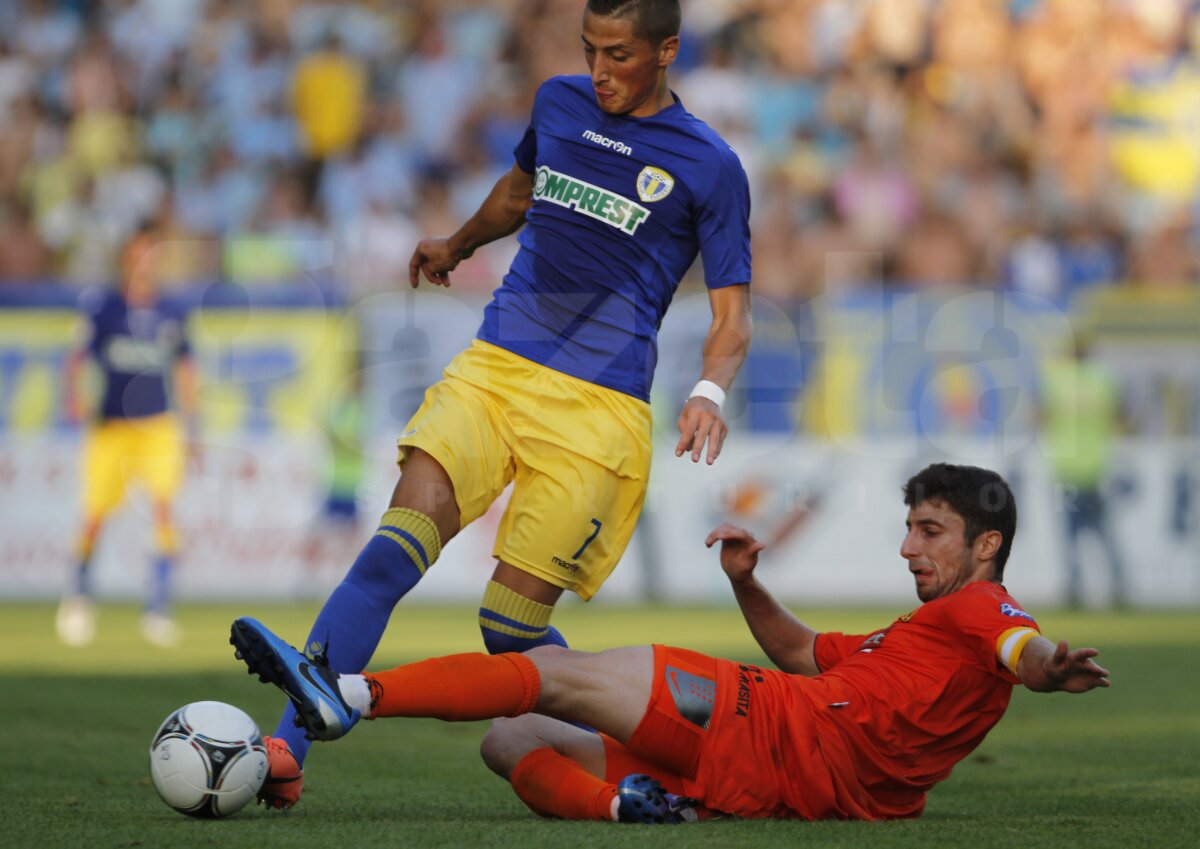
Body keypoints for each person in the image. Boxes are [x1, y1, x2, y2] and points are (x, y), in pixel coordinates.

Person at [250, 0, 753, 808]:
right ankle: (284, 747)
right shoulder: (558, 103)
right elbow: (519, 194)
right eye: (590, 50)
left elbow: (733, 315)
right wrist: (456, 242)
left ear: (666, 52)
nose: (599, 71)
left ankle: (646, 761)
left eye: (618, 55)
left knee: (510, 634)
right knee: (391, 550)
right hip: (494, 368)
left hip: (597, 413)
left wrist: (706, 392)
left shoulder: (709, 164)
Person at [231, 463, 1110, 823]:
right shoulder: (920, 635)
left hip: (762, 726)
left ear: (985, 545)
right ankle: (633, 811)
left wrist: (1048, 667)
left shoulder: (981, 609)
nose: (909, 546)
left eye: (929, 530)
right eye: (910, 527)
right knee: (510, 740)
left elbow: (1021, 650)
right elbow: (806, 653)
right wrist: (746, 583)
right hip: (777, 781)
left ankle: (345, 697)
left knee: (547, 671)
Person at [57, 222, 199, 648]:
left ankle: (157, 608)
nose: (146, 263)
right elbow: (77, 358)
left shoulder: (172, 310)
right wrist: (74, 397)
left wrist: (193, 423)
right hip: (111, 426)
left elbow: (186, 368)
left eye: (152, 254)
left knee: (163, 509)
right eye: (140, 253)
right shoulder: (104, 307)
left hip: (158, 424)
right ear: (127, 258)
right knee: (95, 513)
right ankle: (78, 597)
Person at [1040, 333, 1129, 608]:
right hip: (1097, 466)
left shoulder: (1056, 378)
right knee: (1103, 533)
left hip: (1066, 467)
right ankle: (1118, 586)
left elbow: (1040, 415)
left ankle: (1074, 588)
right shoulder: (1103, 379)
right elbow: (1121, 417)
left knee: (1070, 535)